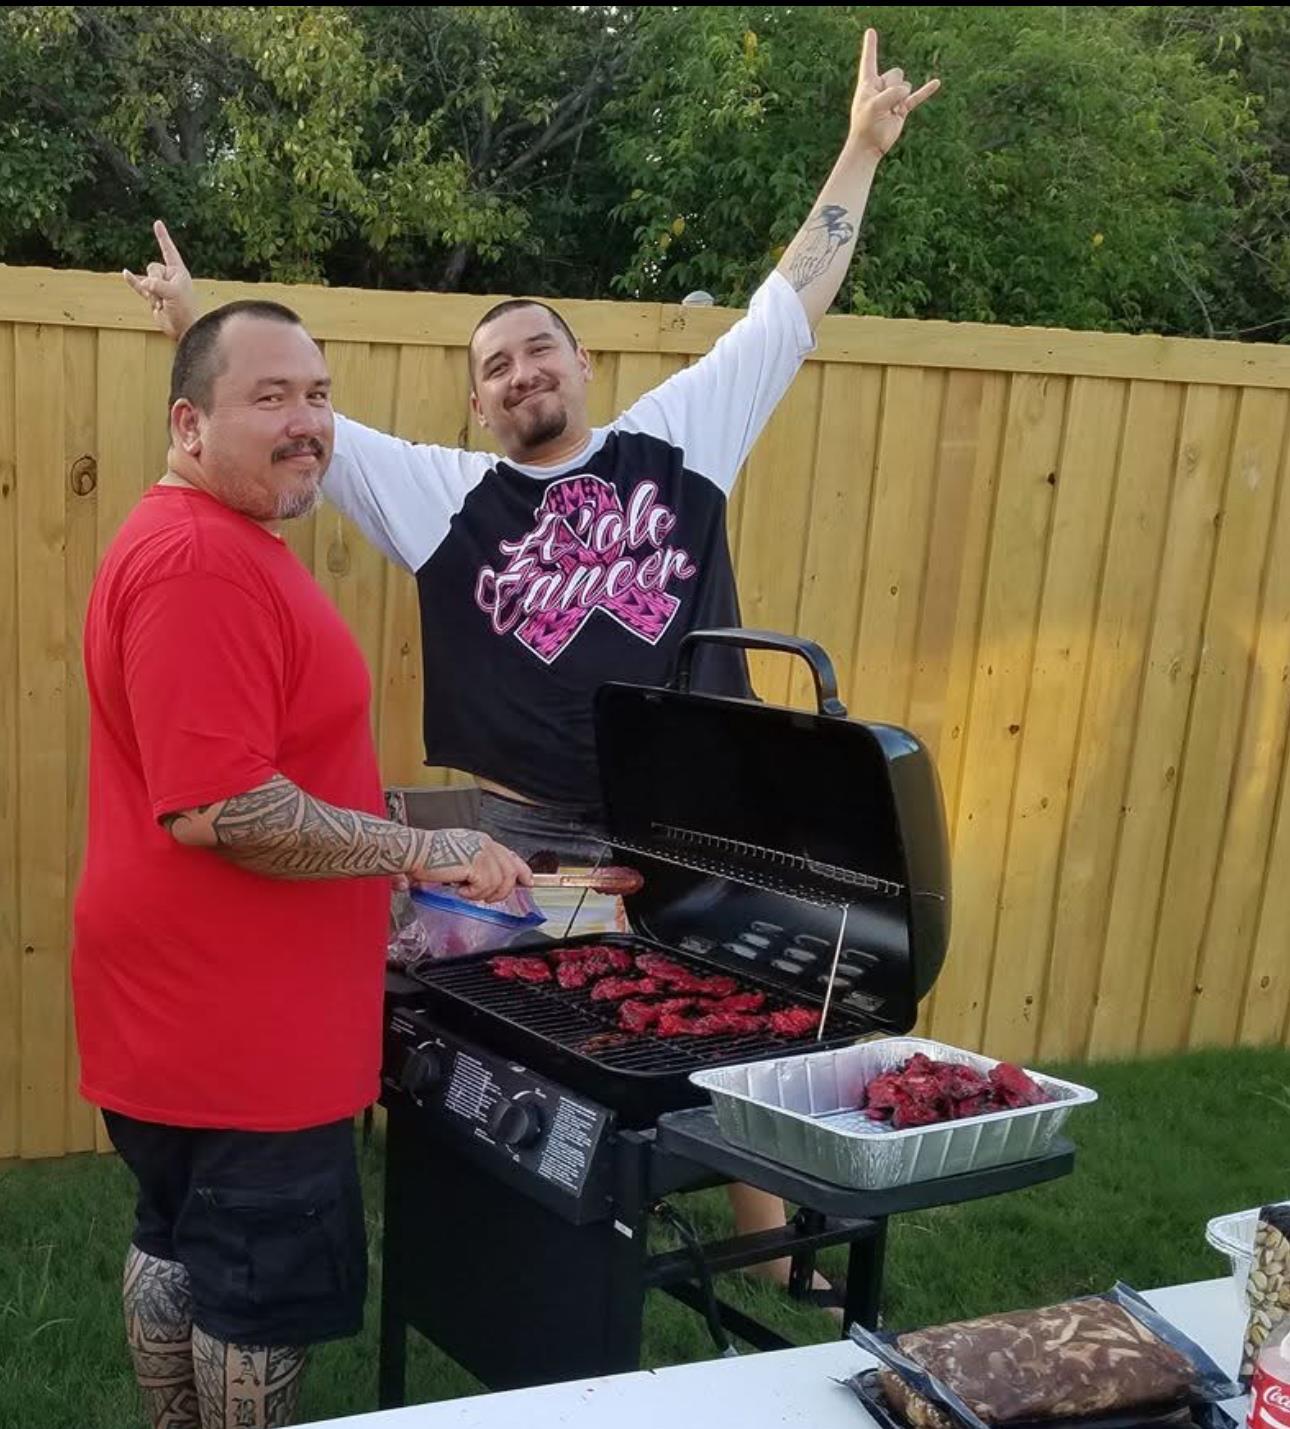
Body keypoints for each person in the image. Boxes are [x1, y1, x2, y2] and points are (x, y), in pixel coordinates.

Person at [125, 29, 937, 1308]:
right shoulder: (443, 495)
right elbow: (283, 420)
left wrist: (861, 147)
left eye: (538, 350)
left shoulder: (684, 434)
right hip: (531, 823)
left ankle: (772, 1253)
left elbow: (793, 298)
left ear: (584, 367)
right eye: (495, 367)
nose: (521, 374)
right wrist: (191, 320)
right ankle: (547, 1259)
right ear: (478, 407)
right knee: (556, 1036)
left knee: (740, 1019)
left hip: (705, 804)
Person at [73, 299, 528, 1429]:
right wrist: (428, 846)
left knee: (177, 1237)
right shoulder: (199, 565)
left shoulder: (219, 542)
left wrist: (376, 862)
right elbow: (224, 806)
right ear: (189, 422)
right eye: (270, 397)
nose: (305, 422)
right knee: (256, 1288)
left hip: (189, 1003)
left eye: (317, 396)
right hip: (242, 1021)